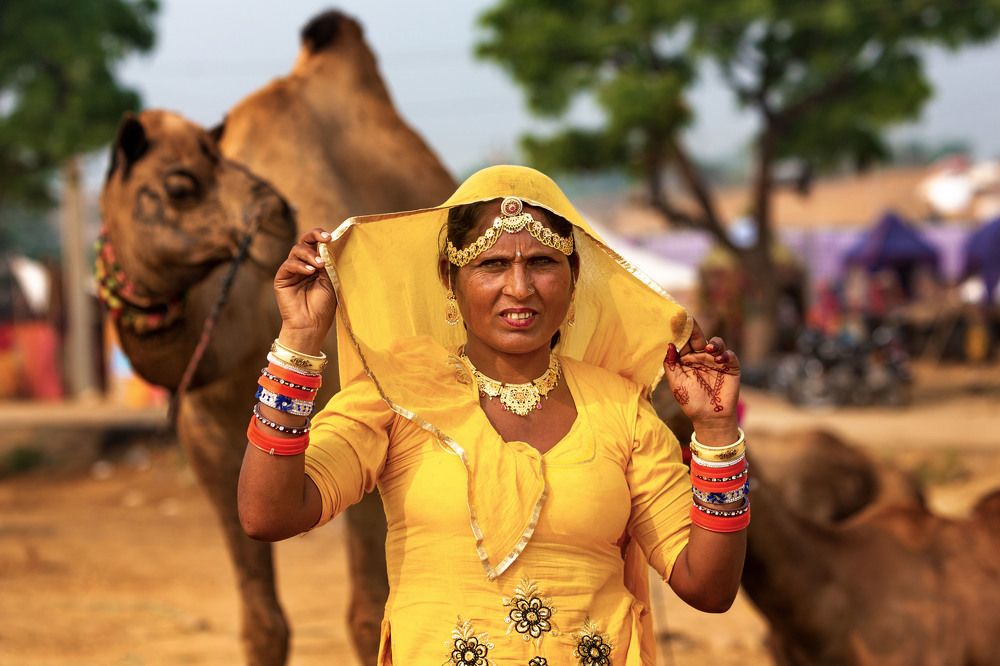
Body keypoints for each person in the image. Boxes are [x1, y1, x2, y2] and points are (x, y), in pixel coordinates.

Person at [238, 165, 747, 665]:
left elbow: (708, 587)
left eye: (543, 263)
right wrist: (299, 342)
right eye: (492, 264)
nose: (520, 288)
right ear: (450, 280)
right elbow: (269, 515)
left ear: (574, 281)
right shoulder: (398, 393)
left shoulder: (620, 408)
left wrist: (718, 432)